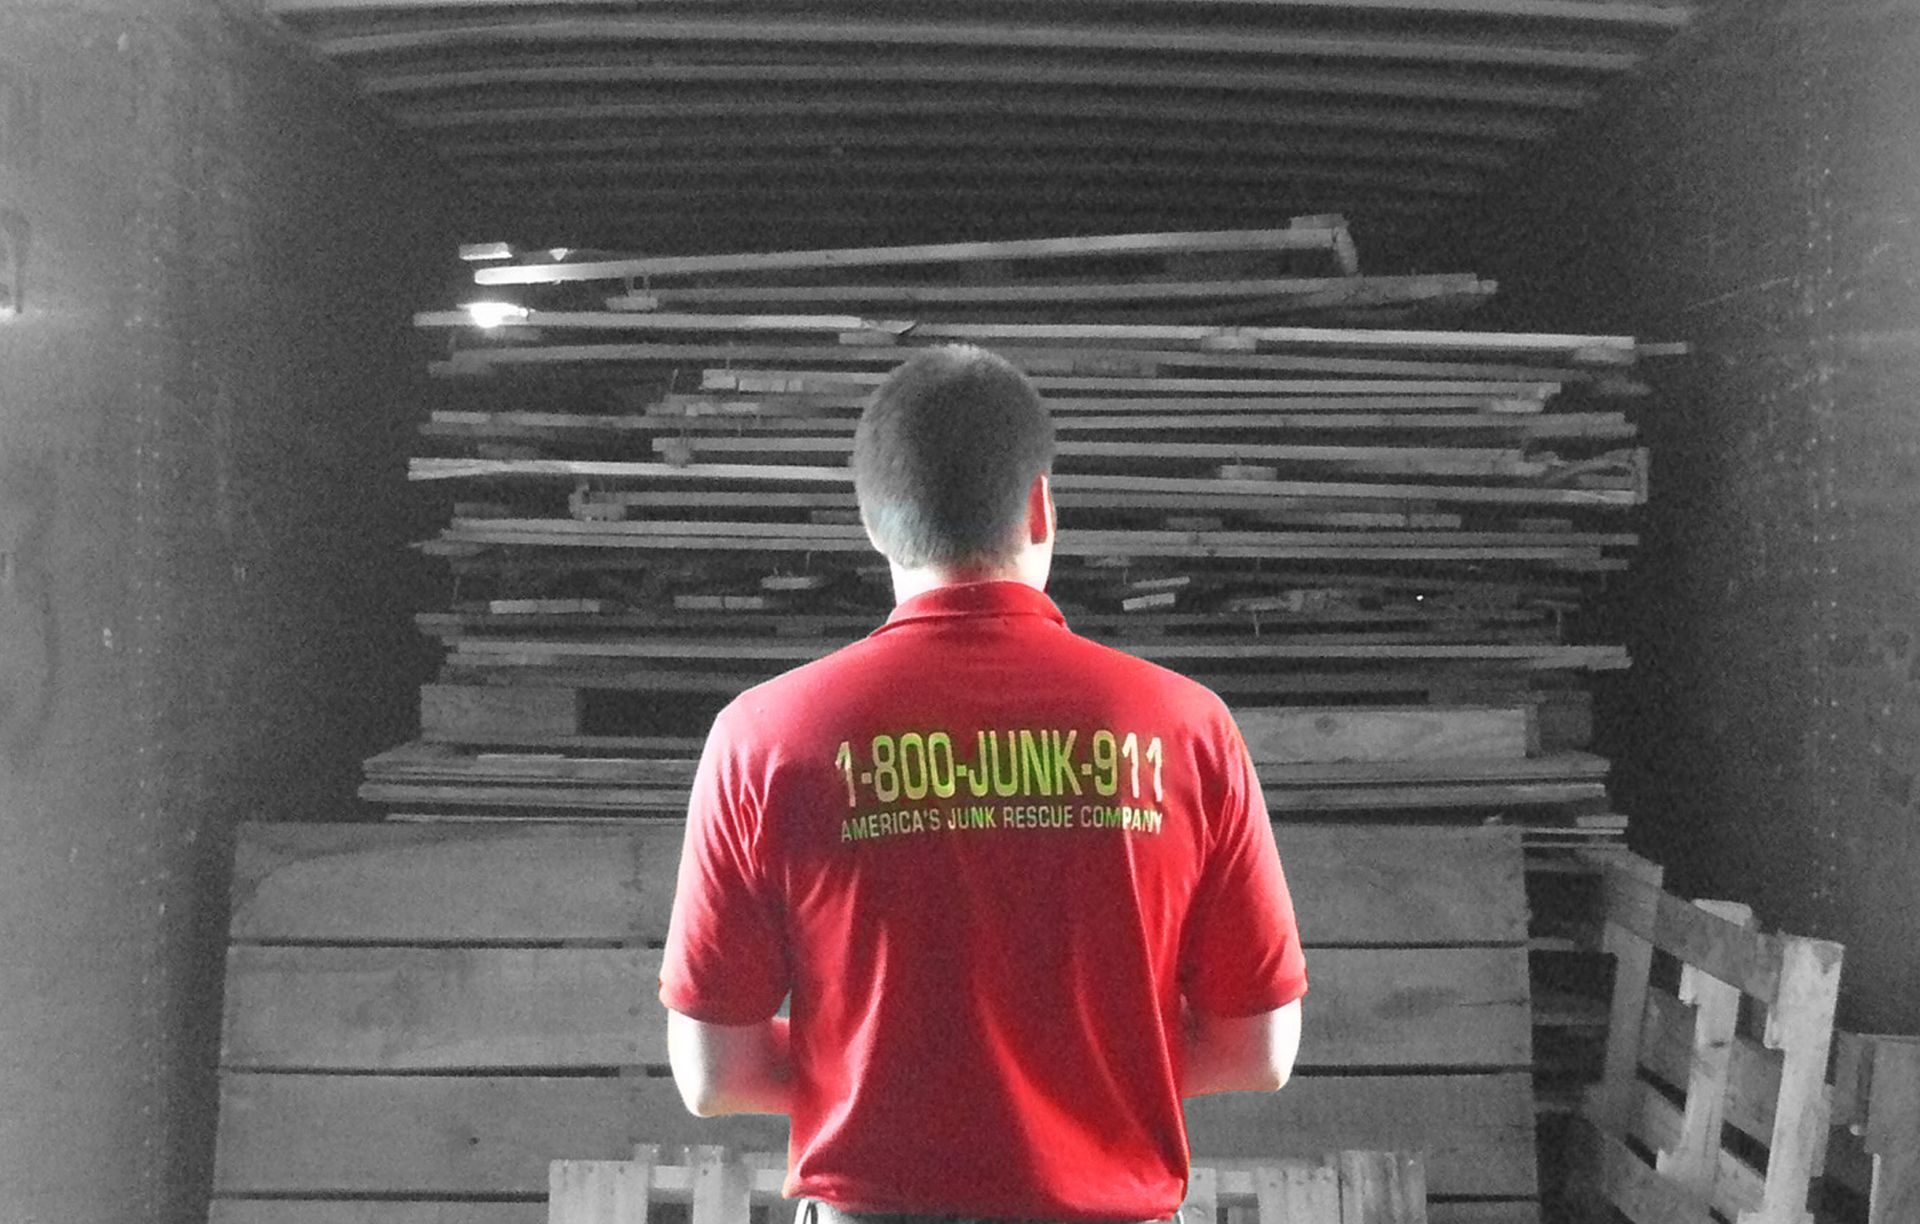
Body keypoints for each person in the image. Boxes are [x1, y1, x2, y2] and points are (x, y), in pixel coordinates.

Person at [659, 345, 1307, 1224]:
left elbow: (713, 1076)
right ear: (1040, 506)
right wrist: (1073, 1076)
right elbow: (1259, 1051)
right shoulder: (1186, 727)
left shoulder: (763, 738)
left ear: (875, 525)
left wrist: (879, 1071)